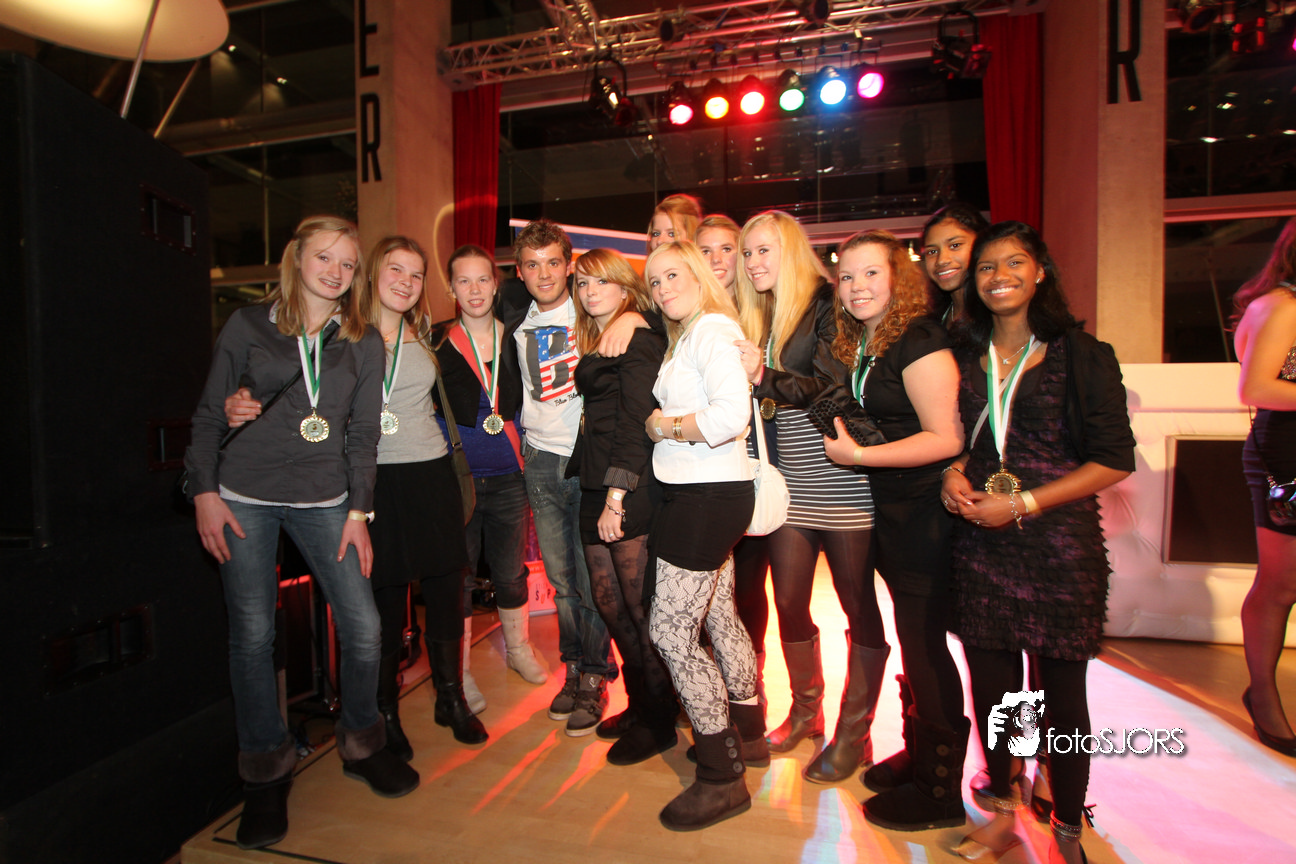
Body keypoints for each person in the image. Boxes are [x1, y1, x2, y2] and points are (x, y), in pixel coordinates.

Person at [185, 216, 418, 851]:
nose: (336, 272)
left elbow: (363, 436)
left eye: (348, 264)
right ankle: (265, 771)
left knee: (365, 627)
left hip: (326, 500)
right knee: (253, 637)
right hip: (242, 497)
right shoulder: (248, 326)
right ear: (297, 258)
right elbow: (208, 415)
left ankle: (362, 742)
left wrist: (358, 513)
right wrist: (204, 493)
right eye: (324, 258)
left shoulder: (361, 339)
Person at [941, 221, 1134, 864]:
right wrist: (951, 473)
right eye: (986, 266)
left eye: (1014, 262)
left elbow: (1114, 460)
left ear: (1040, 271)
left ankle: (1068, 828)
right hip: (980, 545)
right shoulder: (961, 353)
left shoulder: (1082, 354)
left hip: (1059, 547)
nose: (999, 276)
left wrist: (1022, 502)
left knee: (1063, 698)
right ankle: (1002, 807)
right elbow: (961, 438)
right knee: (995, 694)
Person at [817, 232, 968, 822]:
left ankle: (940, 793)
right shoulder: (868, 340)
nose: (857, 287)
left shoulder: (919, 338)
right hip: (893, 509)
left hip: (926, 512)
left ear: (897, 277)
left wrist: (858, 458)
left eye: (871, 273)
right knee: (914, 639)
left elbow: (946, 437)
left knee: (926, 645)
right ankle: (919, 756)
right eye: (847, 277)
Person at [733, 211, 876, 762]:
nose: (752, 262)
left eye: (763, 250)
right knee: (790, 600)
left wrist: (763, 376)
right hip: (790, 477)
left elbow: (832, 389)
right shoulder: (762, 312)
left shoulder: (825, 302)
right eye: (747, 252)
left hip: (839, 476)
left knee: (857, 605)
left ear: (790, 250)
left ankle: (855, 734)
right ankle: (805, 715)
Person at [507, 219, 644, 736]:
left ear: (569, 266)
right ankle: (575, 667)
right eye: (532, 265)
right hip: (540, 459)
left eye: (553, 263)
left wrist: (634, 316)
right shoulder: (513, 320)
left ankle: (597, 675)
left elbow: (646, 309)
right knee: (562, 582)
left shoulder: (593, 310)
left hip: (586, 462)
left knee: (592, 583)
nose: (544, 274)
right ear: (520, 273)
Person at [643, 240, 760, 830]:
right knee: (718, 617)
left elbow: (729, 416)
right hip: (707, 493)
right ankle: (750, 734)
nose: (662, 288)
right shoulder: (692, 333)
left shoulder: (711, 329)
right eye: (654, 281)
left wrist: (663, 426)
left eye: (672, 275)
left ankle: (722, 776)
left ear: (697, 275)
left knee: (670, 631)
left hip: (705, 498)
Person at [568, 248, 677, 763]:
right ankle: (642, 704)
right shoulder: (603, 334)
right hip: (595, 481)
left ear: (625, 287)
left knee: (640, 610)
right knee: (610, 606)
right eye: (583, 283)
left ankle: (660, 721)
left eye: (602, 282)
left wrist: (615, 497)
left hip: (627, 485)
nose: (590, 292)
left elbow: (637, 422)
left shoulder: (638, 335)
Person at [431, 245, 548, 718]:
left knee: (510, 571)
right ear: (451, 288)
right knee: (457, 577)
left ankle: (518, 649)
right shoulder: (436, 342)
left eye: (483, 279)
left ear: (496, 285)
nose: (474, 289)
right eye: (464, 280)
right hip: (458, 480)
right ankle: (458, 672)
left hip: (510, 477)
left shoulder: (516, 338)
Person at [697, 213, 774, 708]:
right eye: (706, 250)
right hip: (701, 472)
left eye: (728, 248)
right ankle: (708, 691)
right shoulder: (684, 313)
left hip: (754, 468)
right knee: (706, 591)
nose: (718, 259)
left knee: (748, 586)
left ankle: (750, 686)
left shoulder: (763, 313)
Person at [1232, 215, 1296, 758]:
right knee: (1281, 584)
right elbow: (1254, 386)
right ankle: (1264, 697)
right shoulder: (1282, 305)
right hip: (1287, 452)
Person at [920, 202, 991, 325]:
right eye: (932, 251)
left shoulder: (999, 314)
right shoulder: (932, 319)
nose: (941, 260)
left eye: (955, 245)